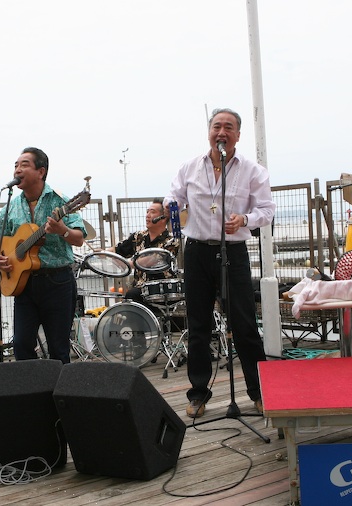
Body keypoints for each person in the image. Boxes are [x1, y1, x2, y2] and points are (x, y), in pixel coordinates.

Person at [165, 108, 276, 418]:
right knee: (198, 325)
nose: (221, 132)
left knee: (245, 325)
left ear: (238, 135)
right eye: (217, 126)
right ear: (209, 132)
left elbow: (267, 210)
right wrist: (171, 207)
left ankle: (259, 392)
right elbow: (173, 197)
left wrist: (245, 219)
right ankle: (198, 393)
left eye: (228, 127)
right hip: (197, 252)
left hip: (233, 252)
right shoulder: (189, 167)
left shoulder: (253, 171)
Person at [0, 147, 86, 364]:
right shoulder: (13, 205)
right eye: (15, 165)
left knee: (59, 348)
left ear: (41, 171)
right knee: (21, 345)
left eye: (24, 165)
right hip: (24, 284)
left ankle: (59, 386)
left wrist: (62, 230)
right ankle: (33, 384)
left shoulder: (60, 201)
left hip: (57, 282)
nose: (17, 169)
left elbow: (78, 238)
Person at [112, 198, 180, 305]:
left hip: (163, 290)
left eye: (152, 212)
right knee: (130, 297)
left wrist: (126, 263)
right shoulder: (138, 236)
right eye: (147, 212)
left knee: (131, 295)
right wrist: (103, 253)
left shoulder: (171, 241)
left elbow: (149, 261)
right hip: (139, 288)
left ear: (163, 217)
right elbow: (117, 250)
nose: (147, 215)